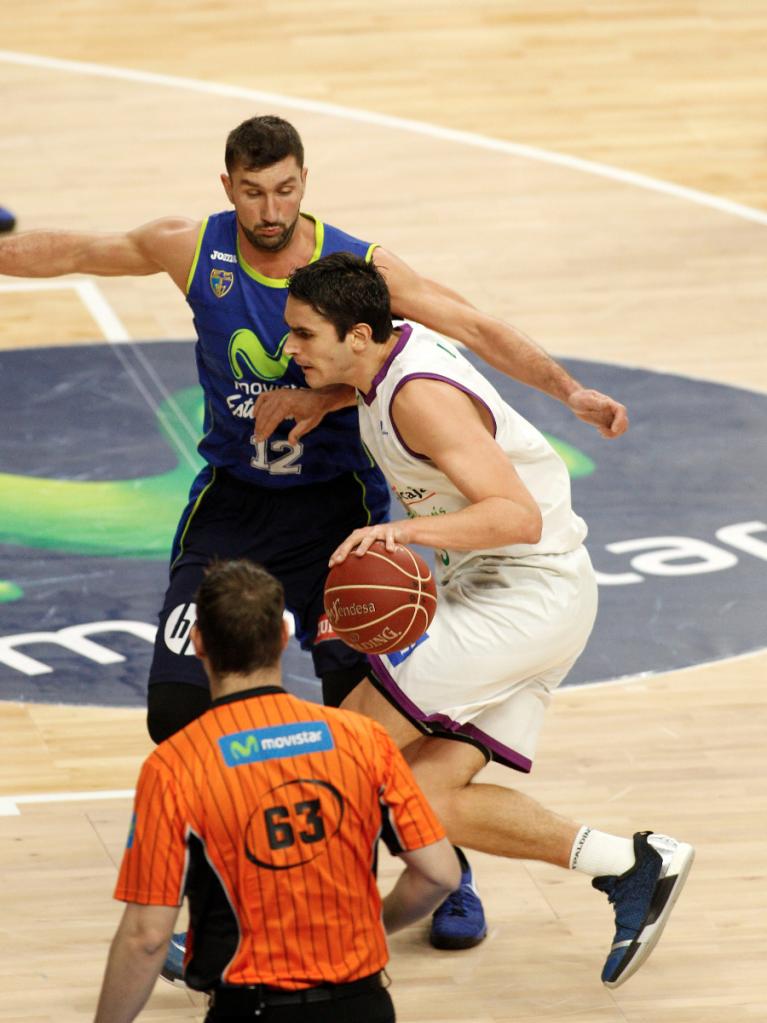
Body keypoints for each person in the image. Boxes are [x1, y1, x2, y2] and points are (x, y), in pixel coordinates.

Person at [0, 114, 627, 950]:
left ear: (306, 182)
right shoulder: (190, 248)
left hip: (345, 512)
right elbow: (65, 253)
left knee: (372, 718)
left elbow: (464, 326)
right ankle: (221, 898)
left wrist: (569, 388)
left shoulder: (353, 270)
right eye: (253, 191)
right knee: (180, 706)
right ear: (227, 187)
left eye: (286, 189)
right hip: (234, 502)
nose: (270, 208)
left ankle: (442, 873)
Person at [282, 252, 695, 989]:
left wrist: (398, 534)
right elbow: (460, 351)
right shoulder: (384, 363)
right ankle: (631, 862)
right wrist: (327, 398)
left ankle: (289, 939)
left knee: (338, 755)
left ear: (359, 334)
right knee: (427, 799)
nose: (291, 349)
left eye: (304, 335)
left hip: (521, 596)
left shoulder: (418, 398)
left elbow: (514, 513)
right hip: (541, 597)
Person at [93, 559, 460, 1023]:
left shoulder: (175, 766)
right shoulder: (363, 739)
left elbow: (146, 937)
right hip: (364, 1004)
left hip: (252, 1009)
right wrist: (374, 926)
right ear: (283, 640)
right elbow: (440, 875)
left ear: (198, 642)